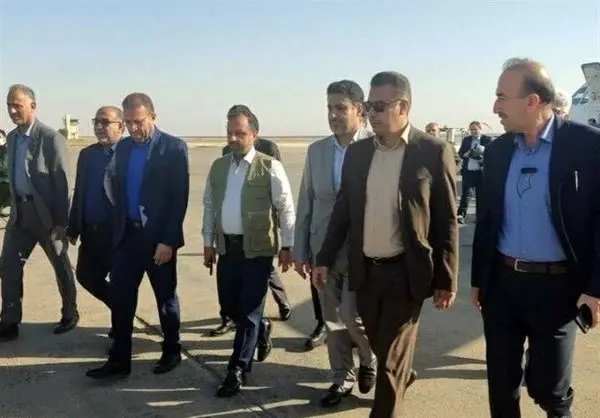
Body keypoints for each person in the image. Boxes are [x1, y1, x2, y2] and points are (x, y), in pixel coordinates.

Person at [313, 71, 459, 417]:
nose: (371, 113)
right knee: (383, 349)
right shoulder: (359, 153)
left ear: (403, 107)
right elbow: (343, 212)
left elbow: (446, 221)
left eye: (379, 106)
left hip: (406, 274)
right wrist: (324, 258)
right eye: (369, 106)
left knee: (390, 362)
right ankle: (402, 373)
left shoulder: (432, 151)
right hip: (366, 272)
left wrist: (447, 279)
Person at [472, 57, 600, 418]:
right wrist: (479, 279)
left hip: (559, 289)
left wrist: (596, 289)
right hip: (503, 286)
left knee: (549, 390)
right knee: (501, 385)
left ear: (532, 101)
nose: (495, 107)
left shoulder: (587, 146)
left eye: (502, 97)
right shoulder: (498, 151)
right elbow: (487, 221)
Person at [86, 93, 189, 378]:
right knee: (121, 299)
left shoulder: (173, 148)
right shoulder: (123, 148)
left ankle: (172, 351)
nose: (132, 128)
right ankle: (120, 360)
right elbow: (112, 186)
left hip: (157, 240)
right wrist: (117, 222)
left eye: (138, 121)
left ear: (153, 117)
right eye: (128, 122)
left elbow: (178, 199)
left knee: (165, 299)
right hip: (127, 238)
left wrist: (167, 240)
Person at [293, 80, 377, 407]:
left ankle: (371, 358)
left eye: (340, 108)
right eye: (329, 108)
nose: (333, 115)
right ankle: (341, 377)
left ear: (360, 110)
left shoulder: (376, 146)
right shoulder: (317, 151)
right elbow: (307, 200)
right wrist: (302, 249)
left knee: (353, 316)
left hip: (363, 250)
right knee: (331, 319)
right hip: (323, 249)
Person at [202, 105, 295, 397]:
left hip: (257, 250)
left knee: (249, 310)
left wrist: (288, 245)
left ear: (254, 134)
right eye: (229, 133)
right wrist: (208, 242)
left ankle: (237, 369)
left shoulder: (270, 167)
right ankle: (263, 327)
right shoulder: (219, 167)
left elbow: (285, 208)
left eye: (239, 133)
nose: (233, 138)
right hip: (227, 249)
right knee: (230, 308)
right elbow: (209, 206)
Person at [0, 84, 78, 342]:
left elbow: (63, 183)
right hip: (19, 215)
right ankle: (9, 321)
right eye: (9, 105)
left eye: (17, 106)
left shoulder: (51, 138)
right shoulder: (12, 138)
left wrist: (62, 222)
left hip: (47, 217)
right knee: (9, 266)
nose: (12, 111)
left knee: (61, 266)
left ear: (32, 106)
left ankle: (70, 313)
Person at [67, 106, 124, 339]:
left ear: (121, 126)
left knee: (119, 282)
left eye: (105, 122)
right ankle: (121, 308)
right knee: (86, 276)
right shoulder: (87, 154)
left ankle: (120, 329)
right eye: (96, 122)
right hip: (92, 231)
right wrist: (73, 227)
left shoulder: (130, 154)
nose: (99, 127)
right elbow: (79, 192)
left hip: (119, 233)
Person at [456, 121, 492, 223]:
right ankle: (460, 216)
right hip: (468, 172)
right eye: (471, 130)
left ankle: (479, 217)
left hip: (481, 173)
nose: (473, 132)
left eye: (475, 129)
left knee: (481, 196)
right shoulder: (466, 140)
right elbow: (460, 153)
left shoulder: (487, 140)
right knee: (466, 195)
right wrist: (466, 154)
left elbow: (492, 154)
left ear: (480, 129)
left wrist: (482, 157)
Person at [0, 129, 9, 212]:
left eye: (0, 137)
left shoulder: (8, 150)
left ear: (5, 138)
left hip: (6, 182)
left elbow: (4, 167)